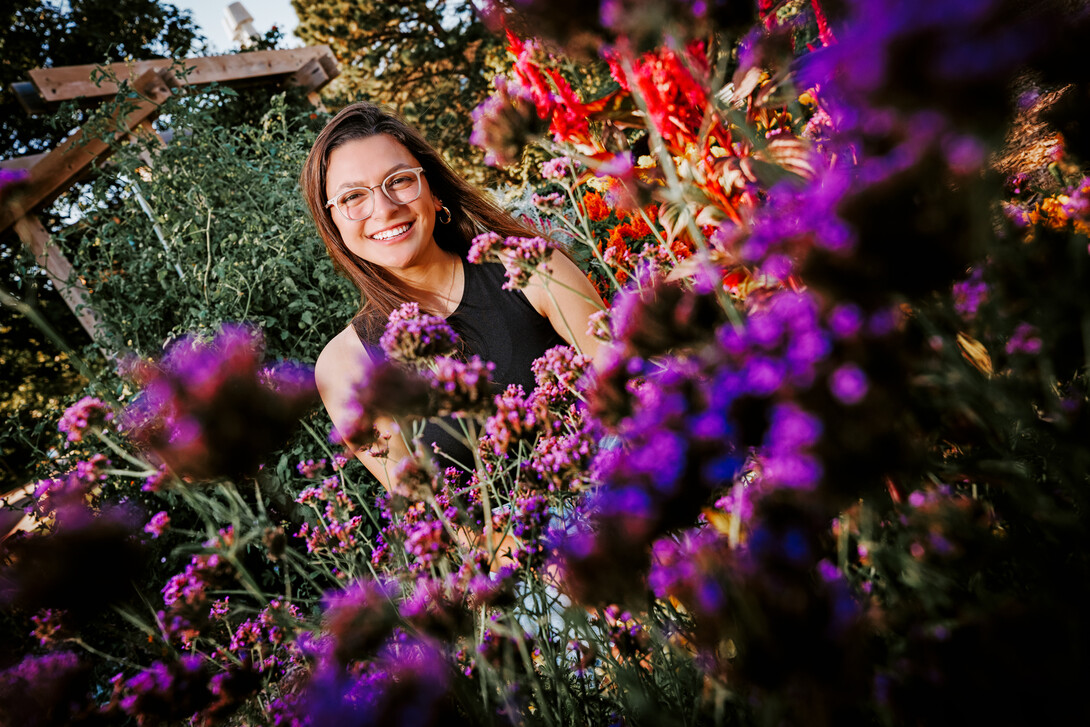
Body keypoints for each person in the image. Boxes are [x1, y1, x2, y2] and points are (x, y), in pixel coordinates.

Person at [300, 102, 604, 491]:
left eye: (399, 181)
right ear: (334, 225)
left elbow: (631, 386)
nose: (385, 209)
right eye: (352, 197)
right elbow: (436, 516)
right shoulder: (344, 366)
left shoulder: (529, 267)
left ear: (435, 192)